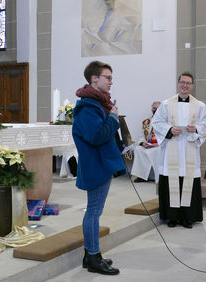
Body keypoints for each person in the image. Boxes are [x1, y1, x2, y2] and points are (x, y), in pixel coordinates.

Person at [72, 61, 125, 275]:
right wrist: (113, 118)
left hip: (101, 163)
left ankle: (91, 255)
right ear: (95, 78)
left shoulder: (98, 103)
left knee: (95, 211)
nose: (111, 82)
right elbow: (96, 136)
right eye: (108, 77)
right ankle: (93, 257)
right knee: (93, 212)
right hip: (96, 165)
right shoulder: (88, 107)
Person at [151, 72, 206, 229]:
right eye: (182, 82)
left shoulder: (200, 105)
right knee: (171, 181)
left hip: (189, 148)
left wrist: (196, 128)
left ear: (192, 86)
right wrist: (170, 129)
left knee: (188, 182)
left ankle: (187, 218)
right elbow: (156, 122)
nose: (185, 85)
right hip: (172, 147)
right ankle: (171, 217)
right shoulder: (166, 104)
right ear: (178, 84)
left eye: (188, 83)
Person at [131, 101, 161, 183]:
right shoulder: (146, 122)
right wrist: (143, 143)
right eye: (154, 108)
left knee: (158, 151)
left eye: (158, 108)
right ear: (151, 109)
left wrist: (157, 144)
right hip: (148, 145)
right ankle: (141, 176)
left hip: (160, 146)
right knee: (138, 149)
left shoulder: (166, 122)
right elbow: (141, 136)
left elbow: (168, 137)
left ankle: (159, 177)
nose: (156, 110)